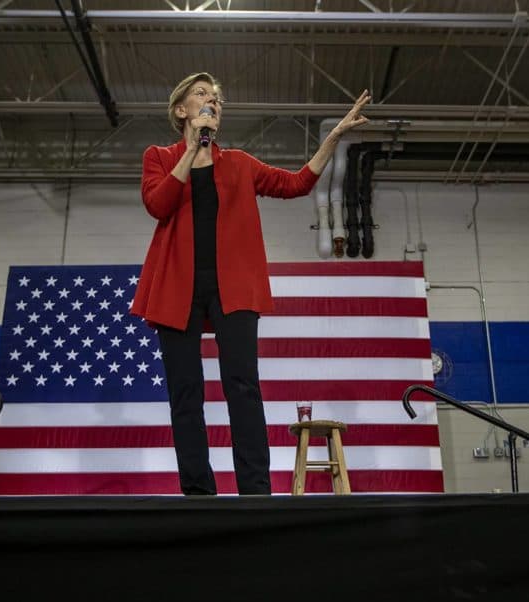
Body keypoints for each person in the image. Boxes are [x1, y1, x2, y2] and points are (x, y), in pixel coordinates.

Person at [131, 72, 370, 496]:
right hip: (175, 289)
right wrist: (191, 150)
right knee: (185, 393)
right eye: (202, 95)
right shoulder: (159, 157)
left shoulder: (239, 163)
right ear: (181, 110)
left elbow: (296, 183)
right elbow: (158, 204)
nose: (212, 103)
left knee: (242, 386)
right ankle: (198, 492)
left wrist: (332, 138)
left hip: (233, 288)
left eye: (217, 99)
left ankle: (255, 491)